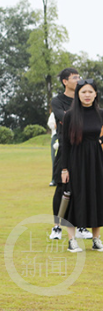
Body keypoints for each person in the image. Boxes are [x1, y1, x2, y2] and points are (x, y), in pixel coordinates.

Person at [58, 78, 103, 253]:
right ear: (78, 94)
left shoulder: (101, 113)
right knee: (75, 197)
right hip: (76, 160)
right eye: (83, 91)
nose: (87, 95)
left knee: (97, 195)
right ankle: (72, 240)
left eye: (90, 91)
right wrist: (64, 168)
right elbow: (65, 144)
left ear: (95, 94)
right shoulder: (70, 115)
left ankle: (96, 239)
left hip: (96, 159)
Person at [49, 68, 92, 240]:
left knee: (83, 188)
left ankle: (81, 226)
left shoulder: (84, 98)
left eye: (79, 77)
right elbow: (64, 118)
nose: (78, 80)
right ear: (65, 81)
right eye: (75, 77)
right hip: (66, 148)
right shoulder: (58, 100)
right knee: (62, 187)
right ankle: (57, 227)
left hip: (85, 149)